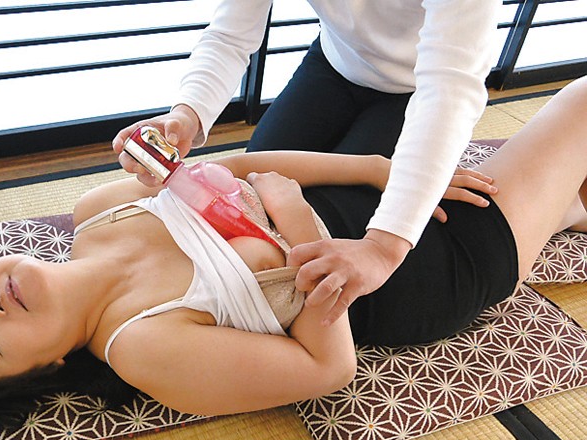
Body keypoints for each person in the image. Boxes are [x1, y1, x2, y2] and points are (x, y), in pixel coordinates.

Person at [0, 78, 587, 429]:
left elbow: (238, 165)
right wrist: (294, 218)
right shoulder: (142, 347)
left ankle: (565, 211)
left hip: (365, 199)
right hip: (422, 270)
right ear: (48, 367)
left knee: (399, 84)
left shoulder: (95, 212)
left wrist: (385, 173)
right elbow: (329, 368)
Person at [113, 0, 501, 327]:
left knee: (333, 220)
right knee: (254, 192)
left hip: (417, 88)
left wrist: (384, 246)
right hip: (336, 61)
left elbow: (449, 90)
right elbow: (230, 33)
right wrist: (186, 114)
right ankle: (384, 169)